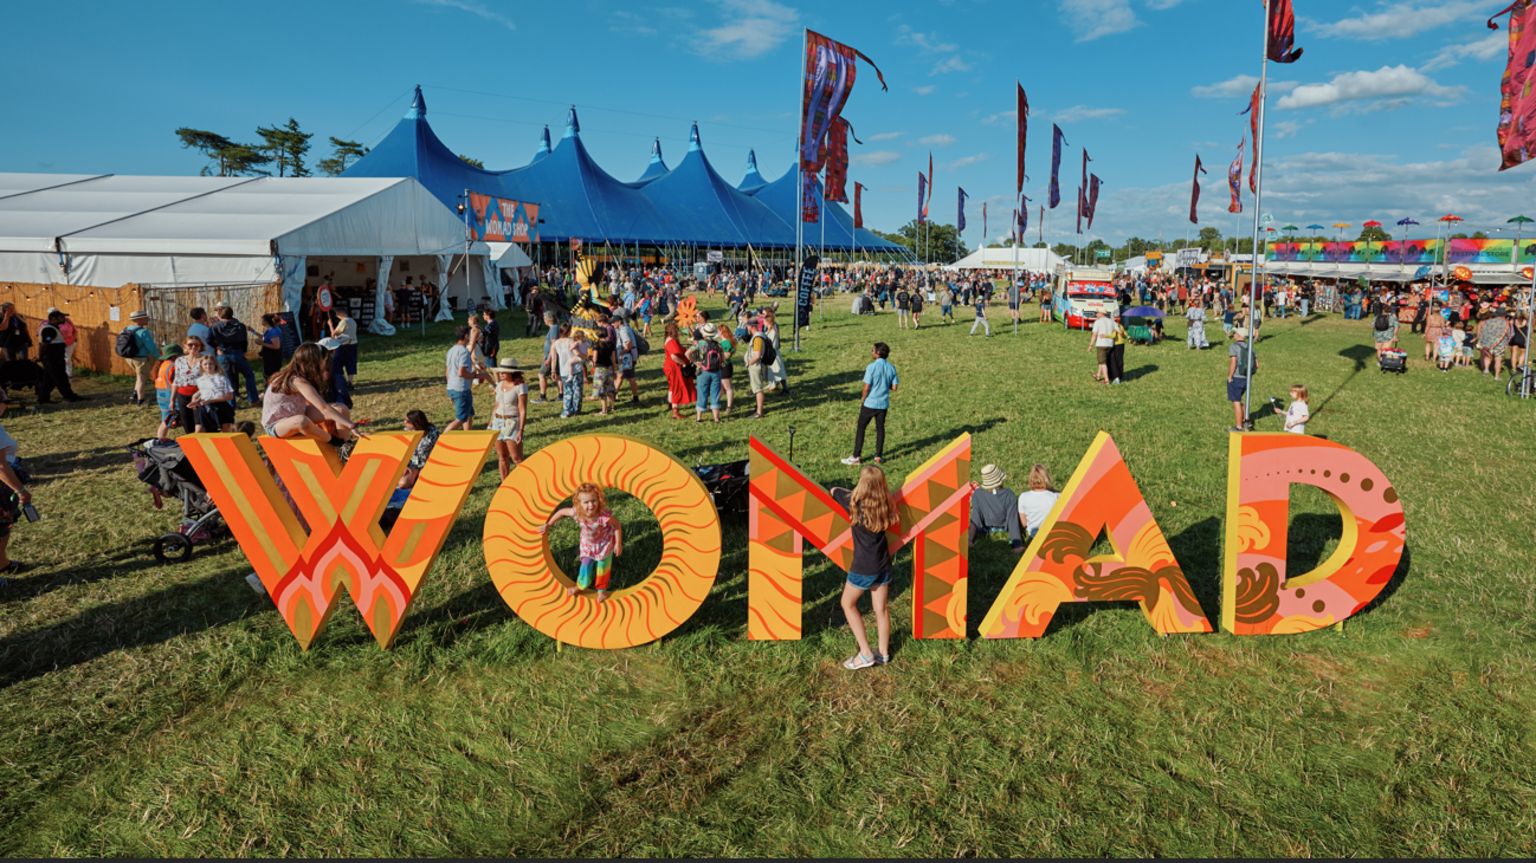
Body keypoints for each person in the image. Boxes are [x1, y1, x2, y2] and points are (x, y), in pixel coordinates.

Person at [829, 466, 896, 669]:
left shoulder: (854, 504)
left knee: (847, 604)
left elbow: (834, 491)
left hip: (862, 567)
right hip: (883, 565)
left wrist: (852, 491)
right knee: (881, 609)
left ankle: (866, 653)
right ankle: (883, 653)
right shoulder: (887, 505)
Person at [540, 482, 624, 603]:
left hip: (604, 544)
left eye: (594, 500)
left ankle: (601, 591)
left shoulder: (602, 516)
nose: (591, 505)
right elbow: (561, 512)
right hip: (587, 544)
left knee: (603, 569)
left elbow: (616, 525)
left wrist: (618, 543)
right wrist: (549, 524)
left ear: (599, 499)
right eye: (586, 502)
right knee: (585, 566)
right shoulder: (576, 513)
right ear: (579, 503)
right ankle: (580, 586)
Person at [261, 343, 356, 441]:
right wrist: (351, 425)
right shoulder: (296, 381)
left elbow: (321, 406)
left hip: (298, 412)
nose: (327, 365)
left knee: (341, 409)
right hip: (277, 425)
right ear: (313, 363)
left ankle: (345, 444)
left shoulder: (302, 376)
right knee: (302, 421)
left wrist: (346, 423)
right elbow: (324, 408)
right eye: (324, 361)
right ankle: (334, 442)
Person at [842, 342, 899, 467]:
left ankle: (856, 456)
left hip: (870, 403)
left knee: (861, 428)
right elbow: (894, 387)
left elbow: (867, 387)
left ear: (878, 353)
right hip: (883, 404)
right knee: (880, 429)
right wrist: (885, 385)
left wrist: (863, 398)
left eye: (872, 350)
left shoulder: (871, 367)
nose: (871, 352)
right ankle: (878, 456)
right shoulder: (891, 367)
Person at [210, 305, 260, 407]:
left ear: (220, 315)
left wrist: (217, 348)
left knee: (228, 379)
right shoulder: (240, 326)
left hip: (223, 354)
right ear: (232, 314)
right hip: (237, 352)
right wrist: (243, 352)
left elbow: (209, 340)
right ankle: (253, 399)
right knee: (249, 375)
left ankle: (231, 404)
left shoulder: (215, 327)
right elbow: (244, 341)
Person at [488, 358, 528, 480]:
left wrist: (521, 429)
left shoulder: (520, 387)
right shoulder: (499, 385)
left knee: (516, 458)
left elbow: (522, 409)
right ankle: (504, 483)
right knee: (502, 456)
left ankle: (525, 481)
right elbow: (496, 405)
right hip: (498, 422)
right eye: (501, 372)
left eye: (504, 372)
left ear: (512, 372)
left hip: (512, 422)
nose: (501, 374)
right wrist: (490, 424)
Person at [969, 464, 1023, 551]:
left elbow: (976, 517)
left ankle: (970, 539)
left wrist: (969, 538)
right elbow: (1012, 520)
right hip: (1004, 526)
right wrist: (1017, 544)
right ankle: (1016, 545)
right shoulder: (1009, 495)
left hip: (985, 528)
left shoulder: (977, 494)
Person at [36, 311, 83, 404]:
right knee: (61, 378)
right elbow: (44, 344)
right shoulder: (49, 329)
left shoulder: (53, 328)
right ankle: (69, 396)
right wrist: (40, 356)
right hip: (53, 358)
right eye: (61, 317)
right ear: (53, 319)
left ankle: (43, 398)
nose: (64, 319)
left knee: (49, 380)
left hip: (53, 358)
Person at [444, 326, 479, 431]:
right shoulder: (463, 351)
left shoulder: (451, 350)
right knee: (460, 418)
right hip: (461, 389)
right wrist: (473, 375)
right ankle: (441, 439)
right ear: (466, 336)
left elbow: (447, 372)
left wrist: (449, 387)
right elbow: (461, 372)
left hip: (452, 387)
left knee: (468, 415)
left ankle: (467, 438)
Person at [121, 310, 159, 406]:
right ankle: (141, 400)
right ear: (140, 319)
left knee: (139, 376)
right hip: (140, 359)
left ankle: (134, 394)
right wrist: (160, 357)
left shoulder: (126, 329)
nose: (148, 319)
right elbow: (151, 347)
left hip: (129, 357)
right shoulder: (143, 332)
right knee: (142, 378)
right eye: (146, 317)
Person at [190, 354, 236, 432]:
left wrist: (211, 400)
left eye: (210, 363)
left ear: (215, 364)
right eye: (205, 364)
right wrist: (195, 401)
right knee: (199, 431)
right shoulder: (200, 380)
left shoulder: (222, 378)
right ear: (201, 366)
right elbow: (205, 393)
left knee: (226, 431)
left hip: (221, 407)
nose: (208, 366)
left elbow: (229, 396)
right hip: (205, 407)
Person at [1016, 464, 1060, 542]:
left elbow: (1024, 523)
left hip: (1033, 539)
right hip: (1052, 537)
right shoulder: (1056, 497)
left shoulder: (1023, 497)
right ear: (1047, 479)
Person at [662, 321, 696, 420]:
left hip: (670, 367)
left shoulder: (669, 340)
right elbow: (674, 356)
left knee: (672, 387)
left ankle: (671, 404)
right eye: (676, 330)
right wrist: (684, 363)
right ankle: (675, 411)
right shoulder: (671, 341)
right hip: (674, 367)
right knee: (677, 387)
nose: (678, 332)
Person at [693, 323, 725, 424]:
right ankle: (716, 418)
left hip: (703, 371)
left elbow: (687, 353)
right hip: (716, 371)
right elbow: (723, 358)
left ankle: (699, 418)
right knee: (715, 394)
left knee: (702, 393)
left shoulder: (701, 344)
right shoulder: (718, 344)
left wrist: (695, 362)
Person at [1227, 327, 1257, 432]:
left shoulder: (1234, 346)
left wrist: (1230, 376)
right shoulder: (1250, 347)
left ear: (1239, 335)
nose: (1233, 334)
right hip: (1247, 378)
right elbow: (1257, 364)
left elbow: (1233, 362)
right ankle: (1245, 421)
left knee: (1236, 402)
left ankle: (1238, 426)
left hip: (1237, 377)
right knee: (1241, 401)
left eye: (1235, 333)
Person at [744, 318, 776, 419]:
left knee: (758, 389)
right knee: (757, 388)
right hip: (758, 366)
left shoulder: (757, 338)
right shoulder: (760, 335)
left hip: (756, 366)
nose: (746, 328)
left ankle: (759, 412)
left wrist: (749, 363)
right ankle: (758, 407)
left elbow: (757, 355)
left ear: (751, 326)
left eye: (747, 326)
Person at [153, 344, 182, 440]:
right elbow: (176, 383)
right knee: (181, 417)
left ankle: (160, 439)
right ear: (175, 356)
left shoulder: (162, 364)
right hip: (171, 396)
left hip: (160, 395)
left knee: (165, 420)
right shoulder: (173, 366)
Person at [329, 304, 359, 393]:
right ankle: (350, 382)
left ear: (340, 313)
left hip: (343, 345)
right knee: (351, 363)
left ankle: (342, 381)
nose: (336, 315)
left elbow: (334, 334)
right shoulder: (353, 321)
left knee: (337, 363)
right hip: (353, 344)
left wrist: (330, 325)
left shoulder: (344, 321)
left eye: (336, 313)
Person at [47, 307, 78, 378]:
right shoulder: (49, 323)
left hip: (69, 342)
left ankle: (68, 373)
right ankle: (58, 373)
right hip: (57, 344)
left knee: (67, 359)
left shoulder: (68, 320)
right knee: (58, 359)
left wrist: (74, 339)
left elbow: (75, 330)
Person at [1090, 311, 1116, 384]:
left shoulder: (1098, 322)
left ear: (1101, 313)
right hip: (1110, 344)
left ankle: (1106, 380)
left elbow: (1094, 334)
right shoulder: (1111, 321)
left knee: (1103, 363)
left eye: (1097, 312)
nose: (1096, 314)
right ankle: (1098, 375)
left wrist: (1090, 345)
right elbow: (1118, 330)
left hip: (1101, 344)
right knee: (1102, 361)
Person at [259, 314, 285, 385]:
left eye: (262, 319)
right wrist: (253, 331)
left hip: (273, 356)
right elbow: (264, 337)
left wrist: (262, 343)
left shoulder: (273, 331)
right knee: (269, 374)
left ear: (266, 321)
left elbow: (277, 346)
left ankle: (271, 390)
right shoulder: (269, 329)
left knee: (271, 374)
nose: (261, 321)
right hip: (270, 355)